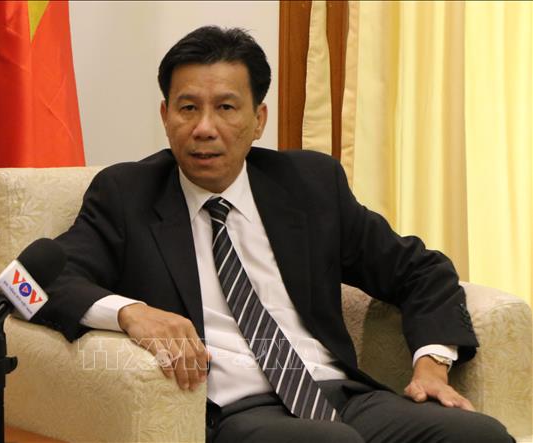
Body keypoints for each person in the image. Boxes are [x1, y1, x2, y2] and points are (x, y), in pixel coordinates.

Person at [37, 26, 513, 442]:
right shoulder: (127, 195)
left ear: (258, 120)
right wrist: (130, 313)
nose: (204, 128)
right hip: (235, 411)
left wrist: (432, 365)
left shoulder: (309, 185)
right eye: (188, 108)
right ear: (165, 116)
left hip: (342, 396)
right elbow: (34, 282)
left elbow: (420, 270)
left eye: (226, 107)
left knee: (477, 435)